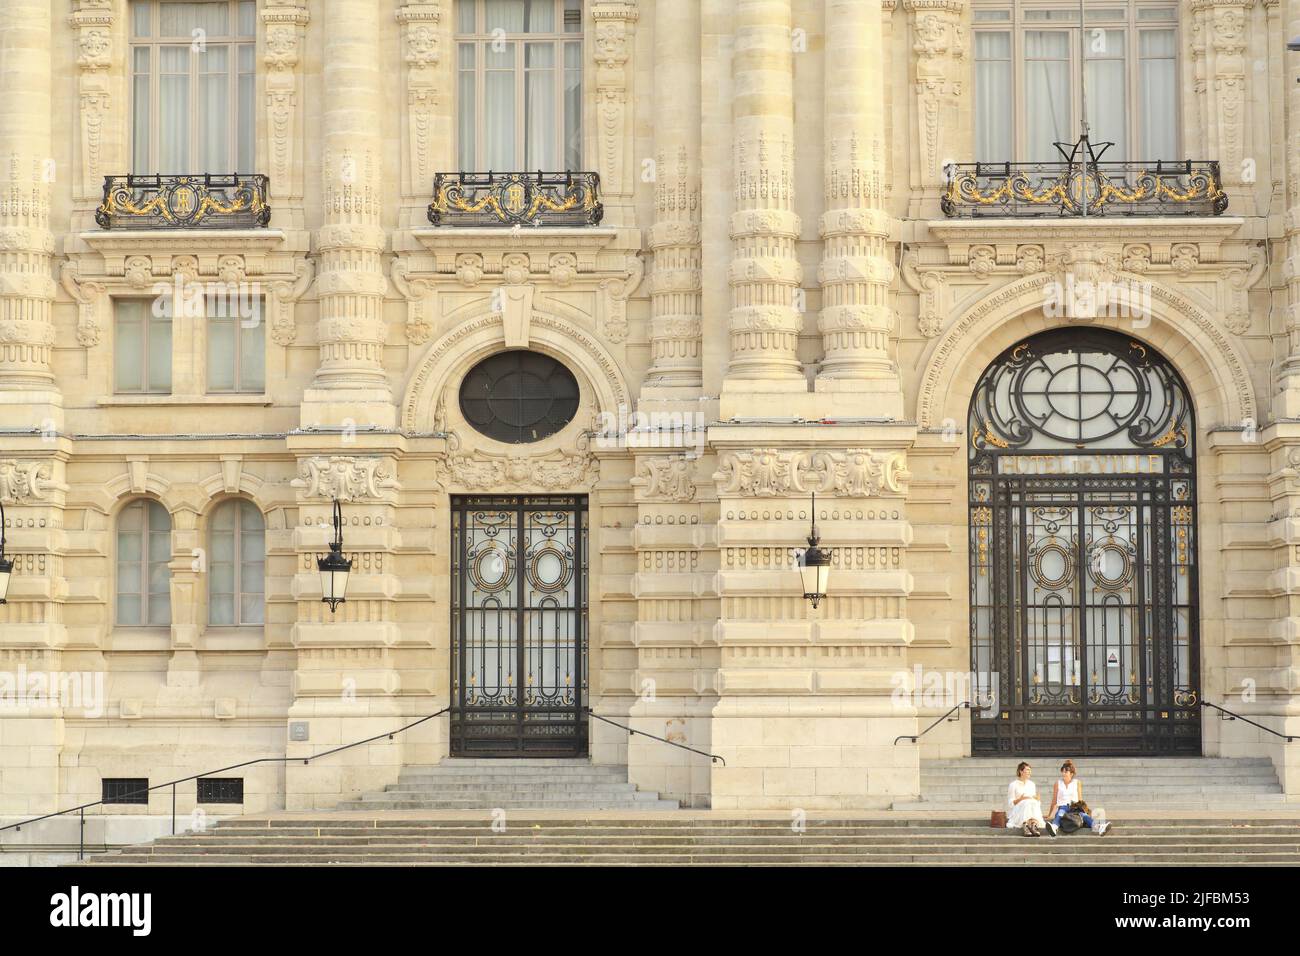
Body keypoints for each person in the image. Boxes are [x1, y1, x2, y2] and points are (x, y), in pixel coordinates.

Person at [1045, 759, 1111, 836]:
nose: (1063, 773)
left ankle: (1100, 828)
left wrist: (1084, 809)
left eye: (1066, 772)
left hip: (1075, 807)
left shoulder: (1077, 782)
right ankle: (1054, 827)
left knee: (1084, 816)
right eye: (1062, 771)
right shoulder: (1058, 783)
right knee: (1060, 812)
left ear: (1071, 773)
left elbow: (1080, 799)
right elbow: (1054, 800)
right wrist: (1049, 814)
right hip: (1063, 807)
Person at [1006, 761, 1045, 836]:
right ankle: (1025, 825)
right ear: (1021, 771)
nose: (1029, 772)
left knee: (1032, 802)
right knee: (1027, 802)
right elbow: (1010, 804)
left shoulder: (1032, 784)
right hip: (1018, 809)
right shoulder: (1013, 785)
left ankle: (1033, 825)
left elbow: (1035, 803)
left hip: (1030, 806)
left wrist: (1038, 799)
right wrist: (1021, 799)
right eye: (1027, 770)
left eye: (1030, 770)